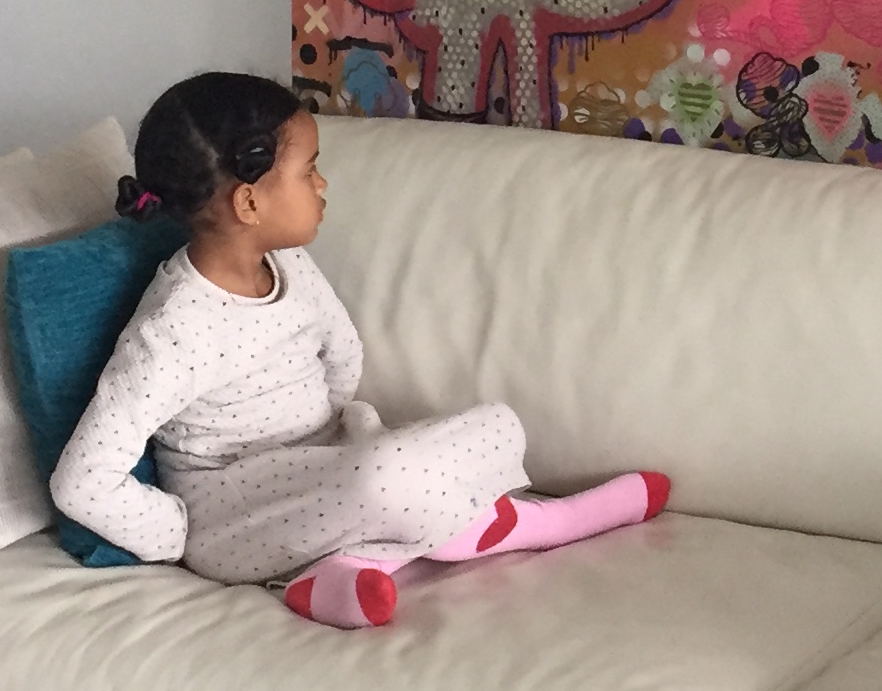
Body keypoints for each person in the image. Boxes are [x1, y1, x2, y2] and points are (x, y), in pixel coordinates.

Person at [51, 72, 667, 629]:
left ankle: (334, 573)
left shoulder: (289, 262)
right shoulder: (174, 330)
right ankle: (540, 524)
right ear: (249, 201)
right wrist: (175, 533)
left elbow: (340, 347)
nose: (322, 184)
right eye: (309, 171)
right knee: (384, 476)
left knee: (486, 427)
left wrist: (333, 427)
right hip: (233, 516)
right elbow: (82, 481)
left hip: (328, 466)